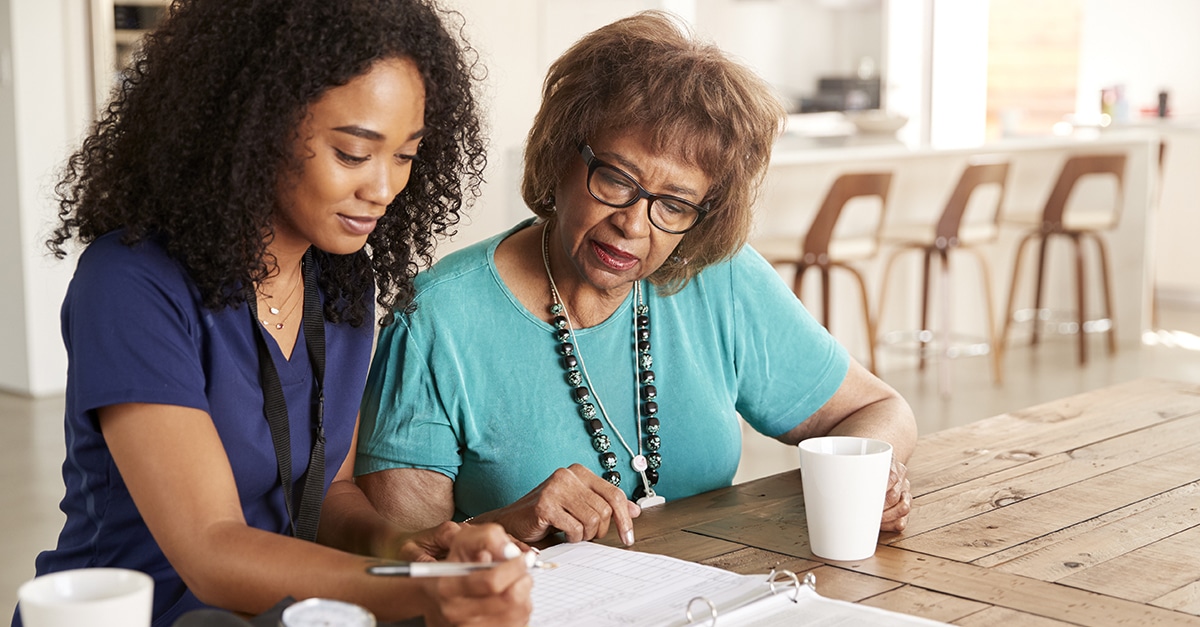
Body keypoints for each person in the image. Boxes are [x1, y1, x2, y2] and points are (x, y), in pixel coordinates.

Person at [15, 1, 532, 626]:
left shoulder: (341, 280)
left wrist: (411, 553)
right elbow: (210, 548)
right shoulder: (129, 284)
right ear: (253, 127)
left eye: (405, 155)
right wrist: (420, 591)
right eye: (352, 153)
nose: (384, 188)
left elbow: (331, 491)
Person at [355, 10, 917, 549]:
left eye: (673, 204)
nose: (633, 224)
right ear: (559, 157)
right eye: (616, 180)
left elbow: (878, 410)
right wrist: (506, 525)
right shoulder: (436, 320)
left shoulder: (718, 279)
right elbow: (404, 562)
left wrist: (874, 471)